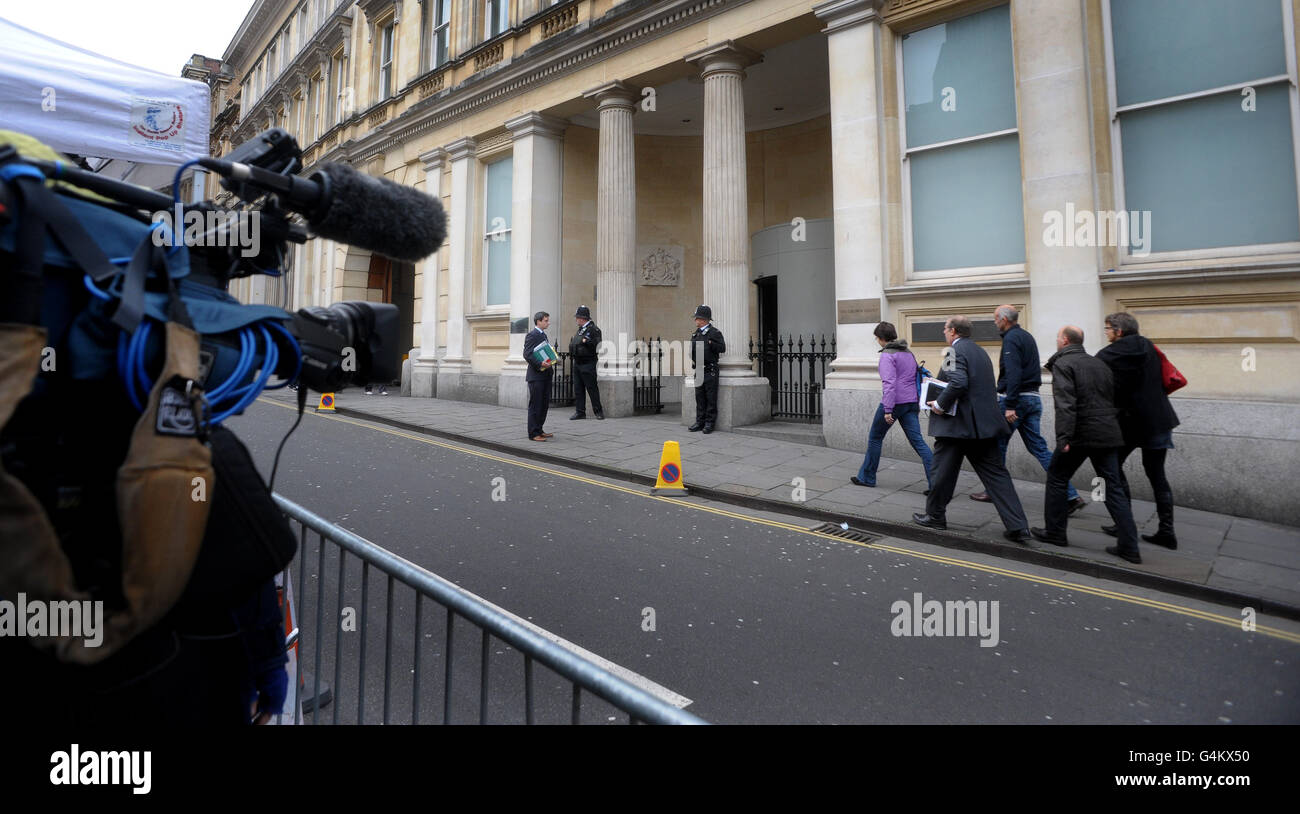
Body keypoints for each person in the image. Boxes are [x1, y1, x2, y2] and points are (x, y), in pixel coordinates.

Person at [912, 315, 1031, 544]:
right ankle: (1018, 526)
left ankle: (935, 516)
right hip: (983, 427)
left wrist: (938, 404)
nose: (944, 333)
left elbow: (958, 382)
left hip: (957, 426)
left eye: (945, 329)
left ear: (954, 331)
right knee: (997, 476)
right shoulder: (981, 352)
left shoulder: (952, 353)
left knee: (941, 473)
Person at [1030, 325, 1142, 563]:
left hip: (1081, 433)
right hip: (1107, 432)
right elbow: (1113, 397)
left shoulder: (1064, 364)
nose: (1057, 341)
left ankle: (1055, 533)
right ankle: (1129, 546)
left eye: (1058, 337)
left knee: (1057, 476)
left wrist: (1064, 438)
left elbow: (1066, 404)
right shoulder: (1099, 363)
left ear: (1064, 340)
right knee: (1112, 486)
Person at [970, 305, 1085, 513]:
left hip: (1017, 401)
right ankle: (1070, 495)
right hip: (1033, 398)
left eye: (996, 319)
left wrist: (1010, 405)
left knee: (997, 447)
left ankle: (993, 491)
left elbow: (1014, 373)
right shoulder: (1027, 336)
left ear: (1004, 320)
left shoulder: (1011, 339)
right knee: (1039, 448)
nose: (995, 322)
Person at [1096, 312, 1180, 549]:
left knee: (1111, 468)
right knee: (1157, 476)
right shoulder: (1149, 346)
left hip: (1131, 422)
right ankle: (1167, 532)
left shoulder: (1111, 352)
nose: (1106, 333)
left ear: (1118, 331)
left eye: (1107, 329)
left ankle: (1124, 524)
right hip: (1160, 419)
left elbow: (1094, 373)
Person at [851, 322, 933, 492]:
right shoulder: (907, 352)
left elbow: (889, 384)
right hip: (911, 402)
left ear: (881, 338)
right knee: (918, 442)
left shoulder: (887, 356)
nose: (877, 340)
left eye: (877, 338)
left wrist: (888, 410)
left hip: (895, 403)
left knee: (875, 437)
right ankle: (937, 484)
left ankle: (867, 477)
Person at [688, 304, 725, 434]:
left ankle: (709, 423)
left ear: (704, 319)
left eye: (697, 318)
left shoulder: (714, 333)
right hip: (699, 370)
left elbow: (722, 348)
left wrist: (711, 343)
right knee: (700, 397)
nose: (695, 320)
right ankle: (700, 421)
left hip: (710, 370)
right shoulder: (695, 334)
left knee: (710, 397)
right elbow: (692, 351)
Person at [522, 311, 555, 441]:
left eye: (548, 320)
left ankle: (539, 429)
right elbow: (527, 354)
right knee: (536, 405)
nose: (548, 323)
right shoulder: (532, 335)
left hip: (545, 375)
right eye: (546, 320)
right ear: (538, 321)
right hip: (536, 376)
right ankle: (533, 433)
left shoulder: (543, 335)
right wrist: (540, 363)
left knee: (544, 404)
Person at [568, 305, 604, 420]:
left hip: (588, 363)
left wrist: (587, 341)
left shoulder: (594, 329)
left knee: (592, 388)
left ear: (583, 318)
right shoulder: (581, 329)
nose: (576, 320)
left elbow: (598, 346)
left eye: (577, 317)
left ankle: (598, 412)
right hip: (578, 363)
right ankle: (580, 412)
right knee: (578, 389)